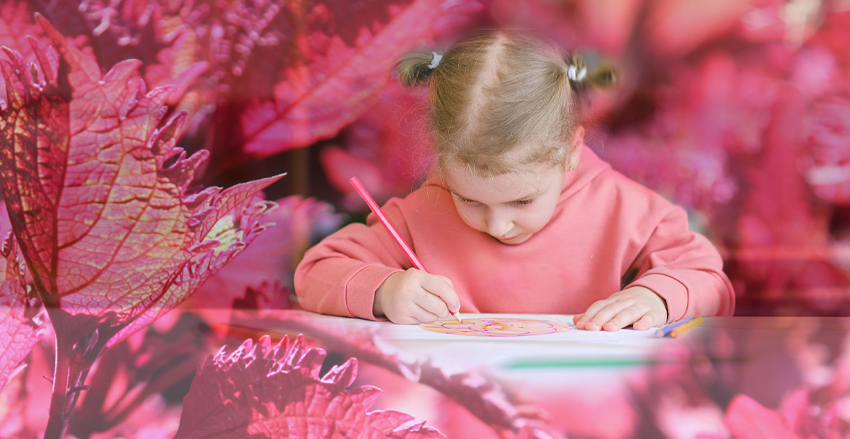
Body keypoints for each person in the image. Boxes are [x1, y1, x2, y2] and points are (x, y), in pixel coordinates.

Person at [295, 31, 735, 331]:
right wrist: (384, 291)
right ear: (443, 159)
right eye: (469, 200)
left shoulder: (625, 209)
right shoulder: (422, 213)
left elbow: (710, 282)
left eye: (522, 201)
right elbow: (314, 274)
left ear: (571, 151)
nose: (498, 225)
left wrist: (657, 299)